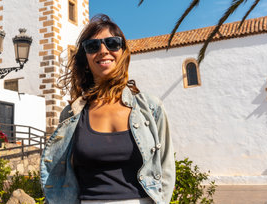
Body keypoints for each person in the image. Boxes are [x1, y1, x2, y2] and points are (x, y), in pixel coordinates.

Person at [40, 14, 175, 204]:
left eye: (112, 43)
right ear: (85, 58)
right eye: (92, 46)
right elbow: (58, 175)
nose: (103, 50)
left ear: (123, 52)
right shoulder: (72, 114)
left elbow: (166, 169)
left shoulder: (151, 108)